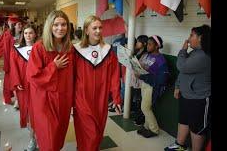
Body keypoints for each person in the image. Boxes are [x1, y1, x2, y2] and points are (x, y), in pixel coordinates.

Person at [26, 10, 74, 151]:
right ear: (49, 26)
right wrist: (53, 66)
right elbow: (33, 77)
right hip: (45, 100)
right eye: (56, 24)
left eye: (64, 24)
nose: (60, 28)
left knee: (59, 135)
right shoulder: (39, 47)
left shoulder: (69, 49)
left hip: (63, 99)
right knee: (48, 137)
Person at [73, 15, 122, 151]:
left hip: (101, 98)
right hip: (82, 97)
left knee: (98, 131)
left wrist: (116, 98)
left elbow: (114, 76)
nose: (98, 31)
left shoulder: (108, 51)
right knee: (90, 131)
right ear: (86, 30)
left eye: (100, 27)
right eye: (94, 28)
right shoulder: (76, 50)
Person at [165, 25, 211, 151]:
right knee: (184, 120)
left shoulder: (204, 56)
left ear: (200, 38)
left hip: (199, 99)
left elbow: (182, 66)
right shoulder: (194, 53)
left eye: (192, 35)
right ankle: (180, 145)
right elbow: (184, 73)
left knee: (196, 128)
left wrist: (183, 50)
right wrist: (178, 86)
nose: (188, 38)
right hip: (187, 95)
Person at [9, 24, 37, 150]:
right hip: (24, 86)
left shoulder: (40, 48)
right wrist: (16, 82)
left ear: (35, 34)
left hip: (38, 85)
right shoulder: (16, 49)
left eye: (31, 33)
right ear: (22, 34)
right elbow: (13, 67)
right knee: (28, 114)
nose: (28, 35)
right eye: (26, 33)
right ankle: (33, 139)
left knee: (38, 113)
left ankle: (38, 138)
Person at [134, 35, 169, 138]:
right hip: (144, 83)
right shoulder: (148, 55)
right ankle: (146, 126)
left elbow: (162, 78)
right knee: (146, 106)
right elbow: (144, 67)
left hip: (152, 85)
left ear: (157, 46)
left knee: (145, 107)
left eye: (150, 44)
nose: (147, 46)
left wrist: (145, 76)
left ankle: (154, 130)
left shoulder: (161, 59)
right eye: (147, 44)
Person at [0, 16, 23, 105]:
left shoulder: (22, 34)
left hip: (21, 61)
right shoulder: (8, 35)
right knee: (12, 81)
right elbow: (6, 50)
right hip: (11, 62)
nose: (21, 26)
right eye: (19, 24)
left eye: (21, 24)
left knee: (19, 80)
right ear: (14, 25)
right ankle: (15, 99)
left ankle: (19, 98)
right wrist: (8, 64)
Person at [131, 35, 149, 126]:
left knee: (140, 99)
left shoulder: (145, 54)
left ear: (144, 44)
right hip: (136, 78)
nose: (137, 43)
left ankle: (141, 118)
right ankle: (137, 115)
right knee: (136, 98)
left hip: (141, 80)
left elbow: (143, 66)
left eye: (139, 42)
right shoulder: (138, 52)